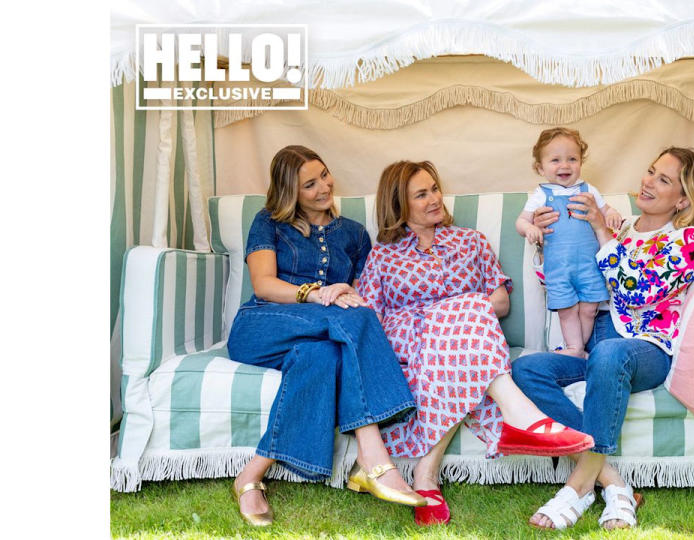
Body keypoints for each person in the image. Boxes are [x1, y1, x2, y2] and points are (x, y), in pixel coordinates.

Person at [357, 160, 597, 526]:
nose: (435, 198)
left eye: (434, 188)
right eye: (422, 194)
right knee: (464, 315)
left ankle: (426, 474)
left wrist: (459, 314)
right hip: (411, 343)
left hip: (469, 345)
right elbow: (369, 321)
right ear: (399, 205)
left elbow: (500, 302)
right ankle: (594, 470)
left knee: (464, 325)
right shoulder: (384, 256)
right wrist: (449, 313)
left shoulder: (470, 241)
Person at [512, 147, 694, 530]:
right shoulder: (623, 227)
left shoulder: (689, 239)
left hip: (647, 348)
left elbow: (637, 292)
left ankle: (576, 487)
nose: (648, 182)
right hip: (600, 346)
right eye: (651, 171)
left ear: (684, 198)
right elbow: (570, 283)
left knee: (607, 352)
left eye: (663, 180)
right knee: (526, 370)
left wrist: (601, 232)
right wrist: (548, 239)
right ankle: (612, 481)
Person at [226, 145, 428, 527]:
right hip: (264, 325)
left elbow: (358, 291)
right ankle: (374, 458)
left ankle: (251, 475)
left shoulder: (353, 233)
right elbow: (265, 284)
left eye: (324, 174)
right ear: (291, 193)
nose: (324, 187)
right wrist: (316, 294)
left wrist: (344, 292)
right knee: (352, 317)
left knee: (326, 357)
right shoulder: (268, 222)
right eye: (309, 184)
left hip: (321, 335)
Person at [514, 128, 623, 357]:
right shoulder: (542, 194)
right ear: (540, 168)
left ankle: (578, 348)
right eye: (555, 160)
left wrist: (611, 213)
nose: (565, 165)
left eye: (572, 159)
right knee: (566, 310)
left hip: (589, 266)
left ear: (581, 162)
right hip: (559, 268)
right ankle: (575, 347)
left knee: (589, 309)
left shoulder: (588, 189)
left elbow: (605, 209)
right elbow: (521, 222)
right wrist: (530, 227)